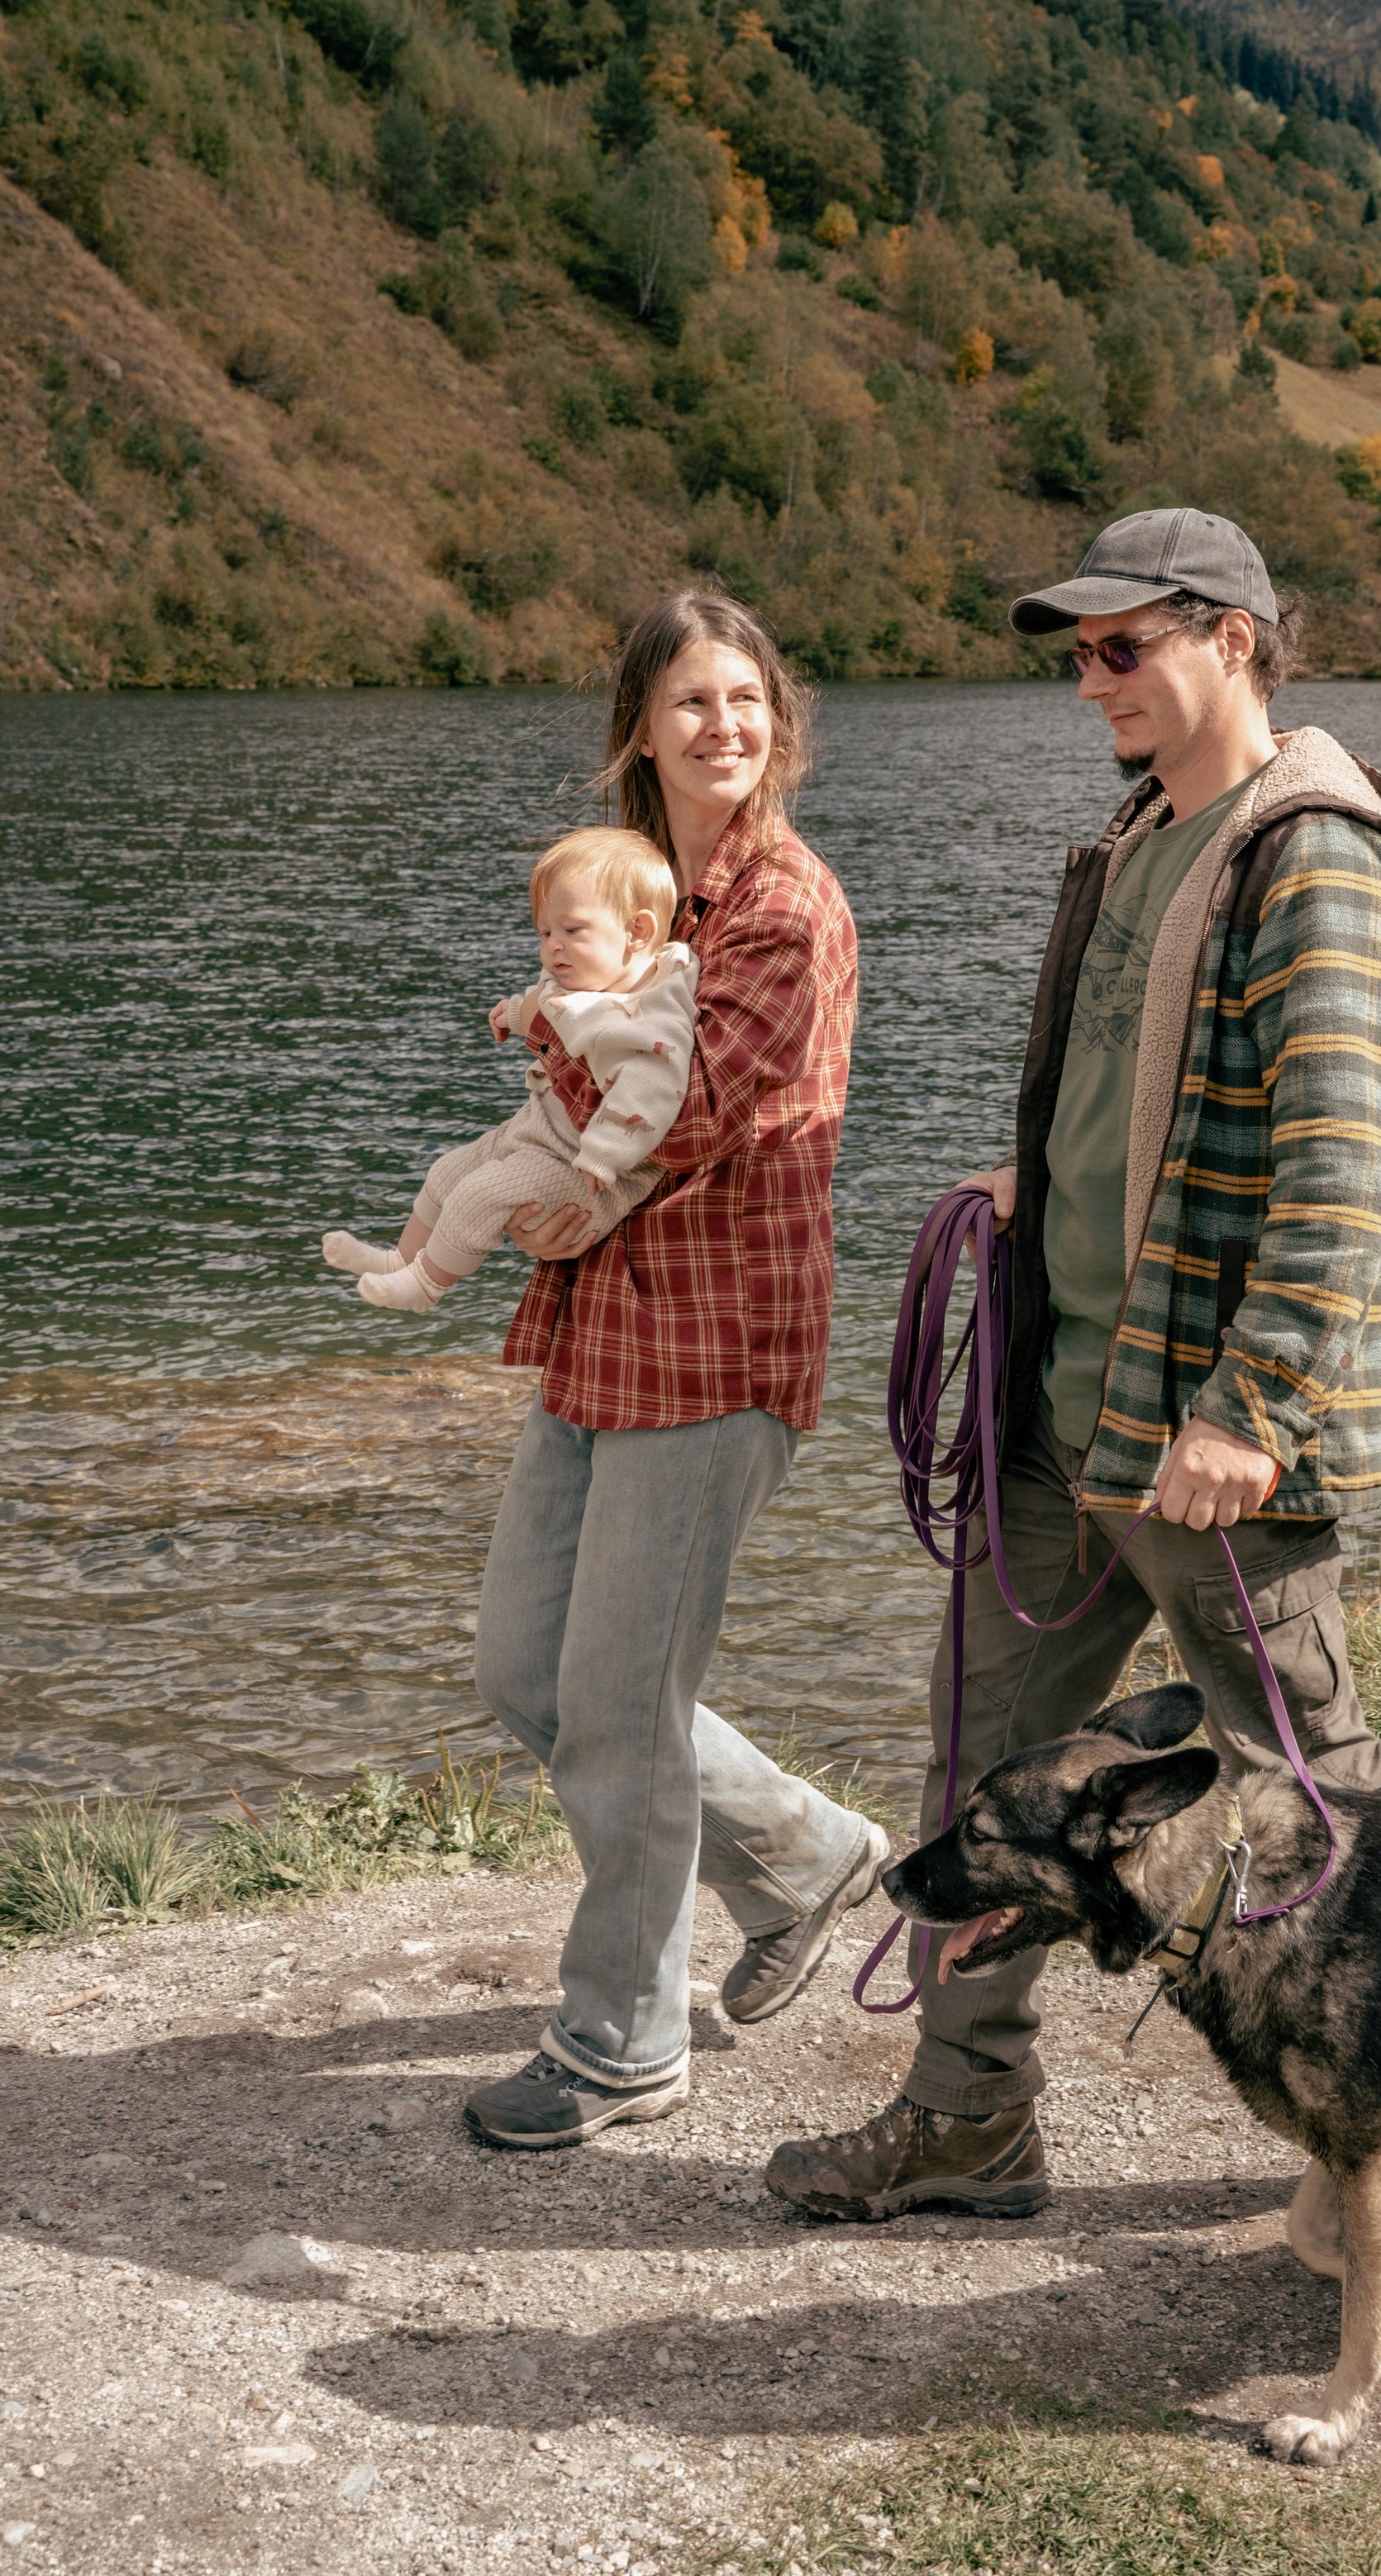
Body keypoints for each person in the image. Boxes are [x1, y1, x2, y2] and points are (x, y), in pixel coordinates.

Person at [766, 507, 1381, 2254]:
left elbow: (1342, 1167)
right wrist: (1043, 1186)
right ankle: (967, 2123)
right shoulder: (1138, 836)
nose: (1085, 680)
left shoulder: (1312, 850)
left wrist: (1250, 1406)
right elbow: (1149, 1105)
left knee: (1322, 1781)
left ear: (1232, 638)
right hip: (1065, 1401)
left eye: (1119, 646)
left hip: (1200, 1424)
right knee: (991, 1771)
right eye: (1073, 653)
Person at [461, 588, 889, 2150]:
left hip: (718, 1336)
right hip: (603, 1317)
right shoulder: (642, 896)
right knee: (531, 1670)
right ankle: (806, 1854)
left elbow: (683, 1105)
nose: (726, 727)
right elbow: (588, 1096)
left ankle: (621, 2040)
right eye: (693, 702)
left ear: (778, 724)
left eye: (749, 700)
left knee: (624, 1708)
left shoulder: (783, 905)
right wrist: (548, 1185)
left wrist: (547, 1143)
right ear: (640, 726)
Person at [321, 826, 696, 1314]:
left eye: (571, 930)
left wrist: (603, 1157)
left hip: (588, 1168)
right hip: (540, 1127)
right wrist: (518, 1015)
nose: (552, 949)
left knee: (482, 1194)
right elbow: (557, 1007)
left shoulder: (651, 1014)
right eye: (545, 933)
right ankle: (402, 1260)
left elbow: (651, 1090)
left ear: (638, 931)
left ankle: (427, 1287)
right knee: (449, 1171)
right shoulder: (602, 973)